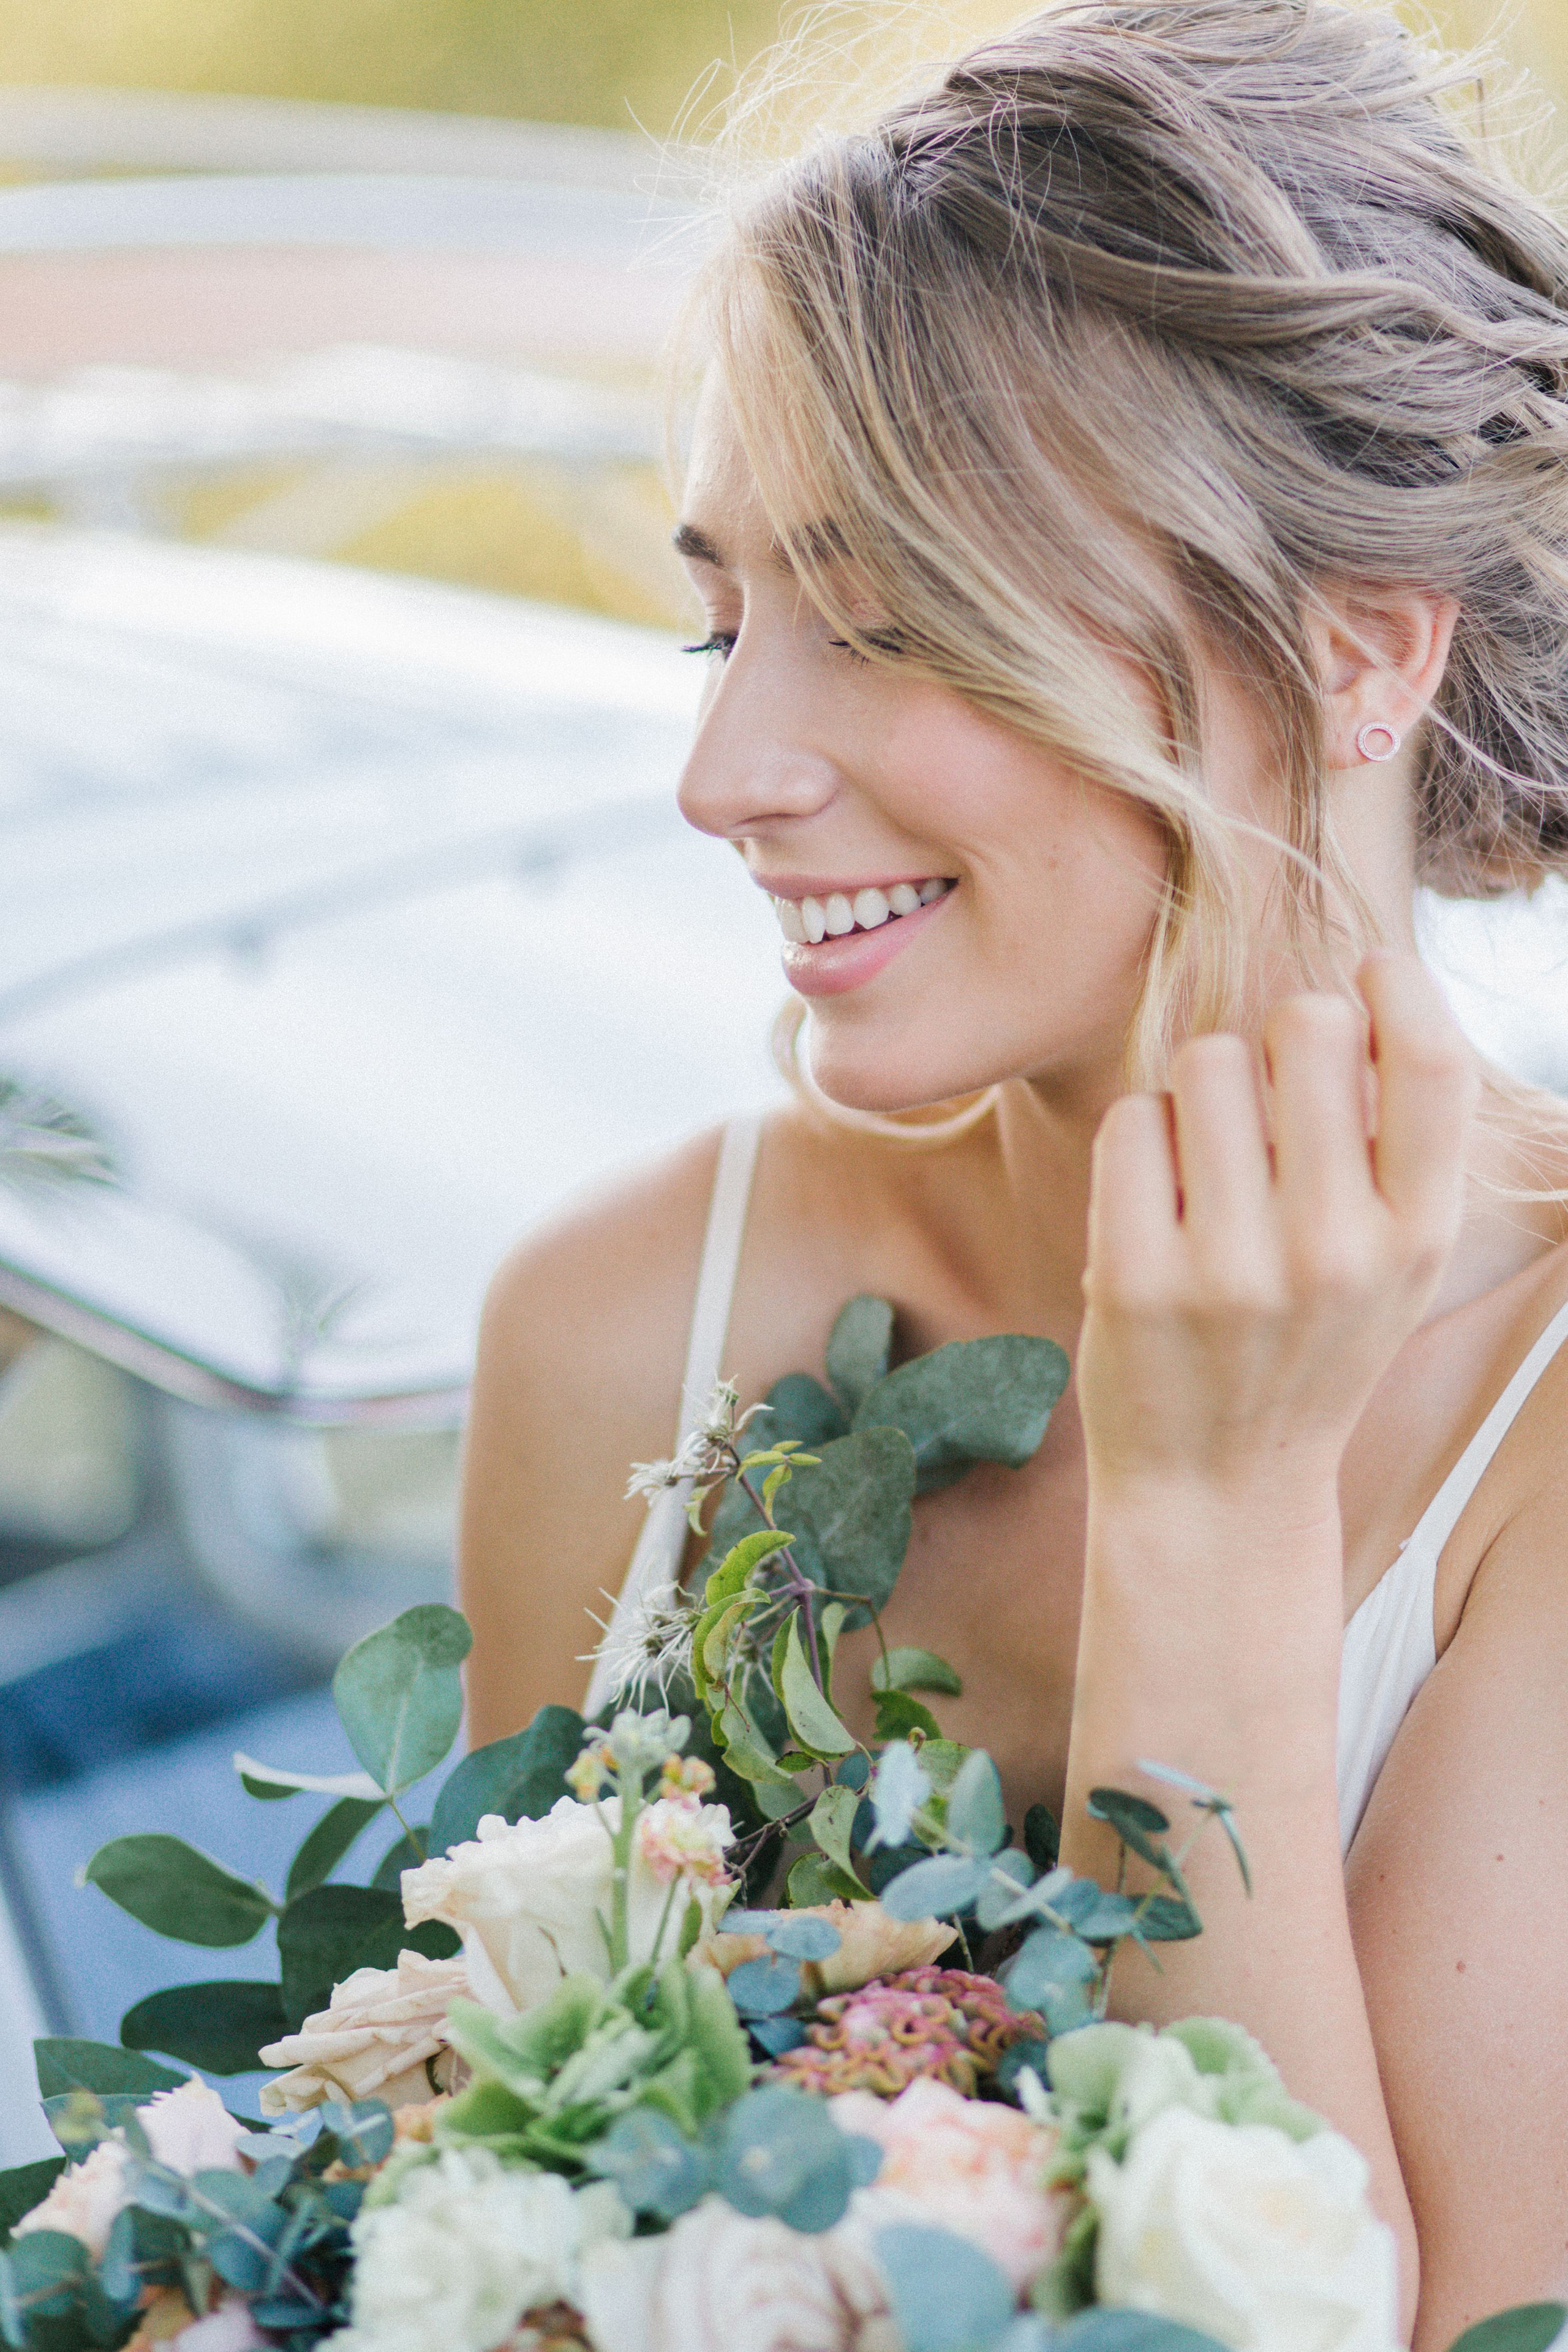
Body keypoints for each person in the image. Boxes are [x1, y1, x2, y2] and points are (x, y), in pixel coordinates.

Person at [459, 2, 1568, 2332]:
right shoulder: (625, 1322)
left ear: (1358, 652)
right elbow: (449, 2191)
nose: (726, 768)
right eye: (724, 614)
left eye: (886, 623)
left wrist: (1213, 1504)